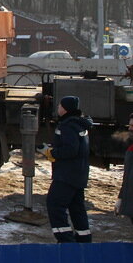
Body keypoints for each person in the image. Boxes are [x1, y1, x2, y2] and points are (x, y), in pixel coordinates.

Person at [40, 95, 93, 243]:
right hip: (78, 174)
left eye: (60, 106)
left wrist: (51, 153)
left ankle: (65, 240)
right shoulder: (81, 123)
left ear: (65, 109)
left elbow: (71, 150)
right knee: (77, 208)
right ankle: (84, 240)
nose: (58, 107)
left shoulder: (68, 126)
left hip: (67, 175)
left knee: (54, 204)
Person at [115, 112, 133, 224]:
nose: (130, 129)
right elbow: (127, 178)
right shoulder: (131, 149)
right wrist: (121, 198)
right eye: (130, 125)